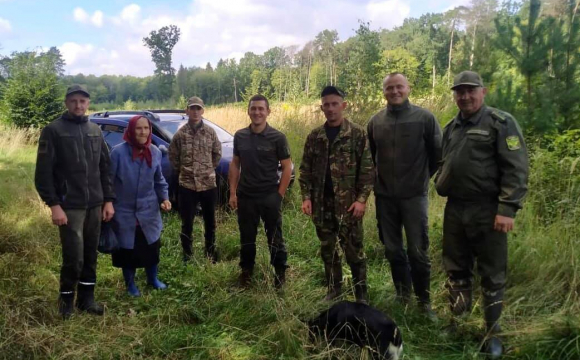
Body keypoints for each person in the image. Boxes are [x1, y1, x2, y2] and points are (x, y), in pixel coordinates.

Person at [435, 71, 529, 358]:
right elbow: (445, 161)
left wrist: (507, 209)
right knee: (456, 266)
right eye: (459, 92)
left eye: (470, 91)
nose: (464, 96)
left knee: (491, 272)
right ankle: (459, 322)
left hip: (488, 210)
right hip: (456, 208)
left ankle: (492, 334)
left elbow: (516, 167)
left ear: (483, 92)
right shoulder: (451, 126)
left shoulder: (500, 122)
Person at [35, 84, 115, 319]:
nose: (78, 105)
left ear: (88, 103)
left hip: (95, 206)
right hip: (69, 207)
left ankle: (87, 300)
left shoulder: (95, 130)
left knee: (91, 255)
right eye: (73, 101)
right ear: (66, 103)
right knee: (74, 257)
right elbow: (43, 173)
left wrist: (108, 200)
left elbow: (105, 168)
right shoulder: (53, 131)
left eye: (82, 101)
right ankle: (66, 302)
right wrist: (54, 205)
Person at [367, 73, 441, 317]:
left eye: (399, 87)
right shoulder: (376, 122)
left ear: (409, 88)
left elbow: (437, 155)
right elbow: (371, 157)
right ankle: (403, 294)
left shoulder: (425, 118)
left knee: (418, 251)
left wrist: (421, 179)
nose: (394, 91)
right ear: (384, 92)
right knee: (392, 249)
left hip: (414, 198)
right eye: (389, 88)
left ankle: (424, 302)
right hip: (385, 197)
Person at [300, 86, 374, 304]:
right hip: (322, 205)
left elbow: (368, 170)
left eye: (335, 104)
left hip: (349, 205)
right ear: (321, 107)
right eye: (326, 105)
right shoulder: (315, 136)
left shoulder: (357, 134)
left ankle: (361, 293)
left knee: (354, 252)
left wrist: (361, 200)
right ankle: (334, 290)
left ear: (343, 105)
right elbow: (305, 169)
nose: (330, 109)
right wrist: (306, 197)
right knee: (328, 251)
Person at [228, 95, 292, 289]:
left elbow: (287, 167)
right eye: (253, 109)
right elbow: (235, 164)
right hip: (246, 197)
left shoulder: (277, 137)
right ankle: (246, 273)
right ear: (248, 111)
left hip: (269, 196)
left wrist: (279, 195)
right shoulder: (240, 136)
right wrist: (233, 193)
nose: (257, 112)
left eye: (261, 109)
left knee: (275, 237)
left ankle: (279, 274)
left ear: (268, 112)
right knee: (246, 237)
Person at [109, 115, 172, 296]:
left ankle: (153, 279)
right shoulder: (117, 153)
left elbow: (159, 180)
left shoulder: (155, 152)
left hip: (148, 211)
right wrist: (108, 204)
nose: (143, 132)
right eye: (138, 128)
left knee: (151, 247)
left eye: (146, 128)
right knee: (128, 251)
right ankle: (130, 285)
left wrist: (164, 198)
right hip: (124, 211)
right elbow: (108, 182)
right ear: (130, 130)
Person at [168, 96, 222, 263]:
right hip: (187, 185)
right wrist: (186, 171)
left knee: (210, 221)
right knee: (187, 222)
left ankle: (210, 251)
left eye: (198, 108)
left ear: (203, 111)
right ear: (187, 110)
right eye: (192, 108)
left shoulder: (210, 132)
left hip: (208, 184)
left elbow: (217, 153)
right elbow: (173, 156)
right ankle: (187, 255)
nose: (195, 111)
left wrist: (206, 169)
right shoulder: (180, 134)